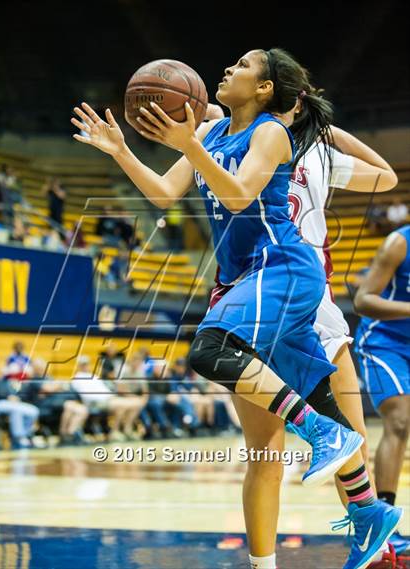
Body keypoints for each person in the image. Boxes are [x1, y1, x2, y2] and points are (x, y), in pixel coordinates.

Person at [71, 48, 401, 569]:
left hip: (283, 267)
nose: (227, 69)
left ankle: (320, 436)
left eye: (242, 66)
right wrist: (120, 152)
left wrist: (193, 144)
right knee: (314, 404)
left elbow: (243, 196)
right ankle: (366, 514)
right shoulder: (210, 135)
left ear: (267, 90)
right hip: (243, 278)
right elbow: (162, 195)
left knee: (210, 349)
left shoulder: (272, 133)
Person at [354, 225, 410, 559]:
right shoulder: (399, 243)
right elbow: (362, 300)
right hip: (383, 342)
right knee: (401, 420)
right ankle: (384, 526)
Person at [0, 355, 39, 449]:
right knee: (16, 410)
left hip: (10, 402)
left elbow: (12, 390)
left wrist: (14, 397)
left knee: (34, 410)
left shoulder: (3, 378)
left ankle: (25, 435)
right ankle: (18, 438)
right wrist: (7, 396)